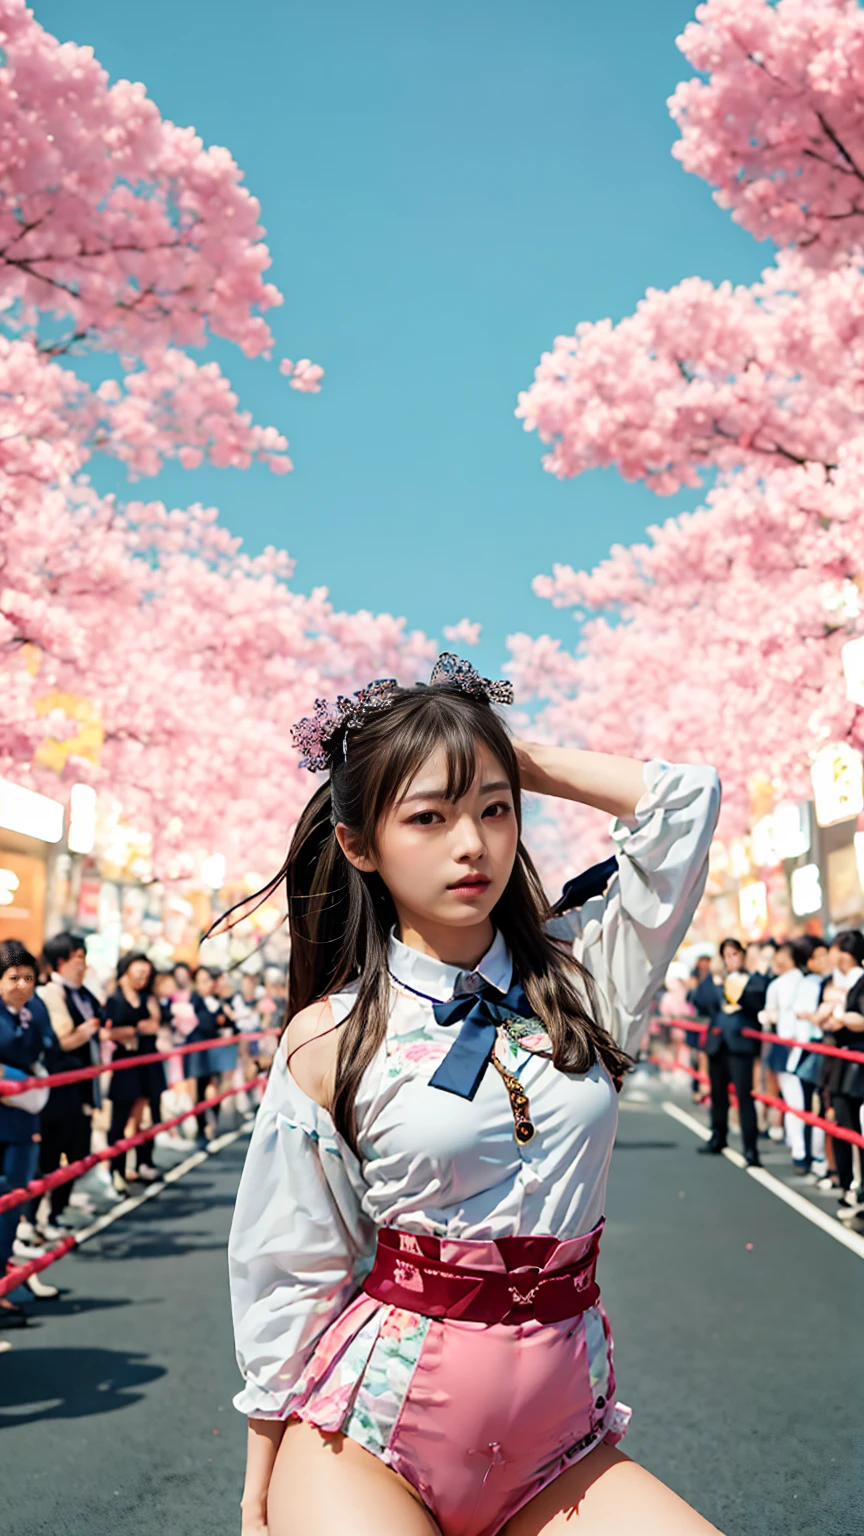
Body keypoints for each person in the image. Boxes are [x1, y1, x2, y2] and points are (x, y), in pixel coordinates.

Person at [227, 654, 723, 1536]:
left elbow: (684, 801)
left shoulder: (587, 979)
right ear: (358, 844)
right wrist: (260, 1477)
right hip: (366, 1442)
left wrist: (500, 751)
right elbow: (291, 1263)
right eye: (430, 816)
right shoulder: (329, 1037)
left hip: (559, 1447)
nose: (473, 843)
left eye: (494, 810)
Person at [0, 940, 55, 1324]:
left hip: (24, 1117)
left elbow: (46, 1048)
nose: (22, 984)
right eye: (13, 977)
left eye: (28, 978)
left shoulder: (34, 1012)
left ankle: (5, 1278)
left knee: (14, 1199)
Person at [37, 933, 103, 1220]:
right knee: (51, 1154)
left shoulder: (82, 993)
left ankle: (57, 1212)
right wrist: (89, 1029)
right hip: (60, 1087)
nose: (83, 965)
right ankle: (39, 1218)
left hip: (81, 1084)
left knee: (77, 1150)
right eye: (79, 958)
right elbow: (63, 1038)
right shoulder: (51, 992)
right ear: (60, 961)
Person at [101, 952, 157, 1194]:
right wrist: (128, 1031)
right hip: (124, 1065)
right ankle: (117, 1171)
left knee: (144, 1119)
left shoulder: (147, 998)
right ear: (125, 971)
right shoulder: (113, 999)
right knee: (120, 1121)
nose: (143, 978)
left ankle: (143, 1163)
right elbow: (104, 1032)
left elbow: (154, 1024)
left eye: (146, 974)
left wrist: (132, 1030)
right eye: (138, 972)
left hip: (147, 1063)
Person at [819, 930, 864, 1220]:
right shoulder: (837, 980)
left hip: (856, 1060)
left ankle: (855, 1188)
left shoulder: (859, 981)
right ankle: (849, 1185)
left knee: (852, 1127)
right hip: (843, 1059)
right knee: (843, 1125)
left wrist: (842, 1017)